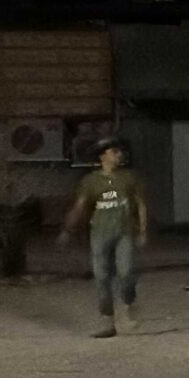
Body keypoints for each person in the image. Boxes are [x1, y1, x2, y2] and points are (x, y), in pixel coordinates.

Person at [60, 136, 150, 337]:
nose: (119, 155)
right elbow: (81, 205)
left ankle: (127, 305)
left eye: (119, 151)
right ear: (103, 156)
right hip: (100, 233)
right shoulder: (91, 181)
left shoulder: (129, 177)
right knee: (101, 277)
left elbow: (140, 204)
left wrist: (142, 230)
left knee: (126, 272)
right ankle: (107, 320)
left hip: (125, 231)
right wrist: (68, 229)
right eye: (114, 152)